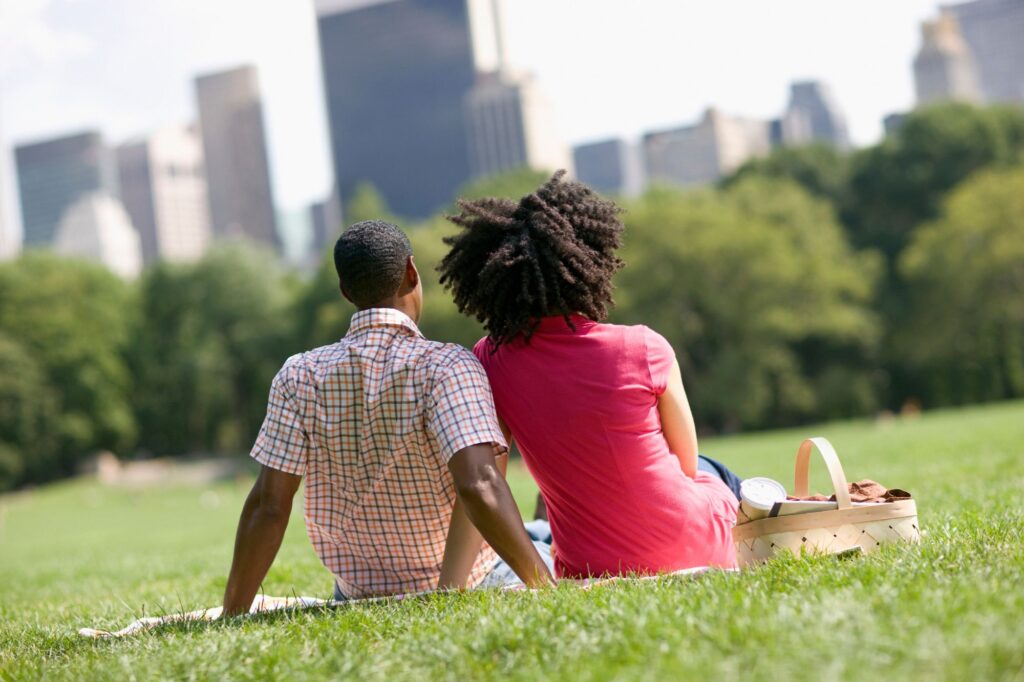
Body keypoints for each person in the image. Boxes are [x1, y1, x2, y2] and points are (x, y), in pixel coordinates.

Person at [222, 220, 554, 616]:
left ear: (346, 291)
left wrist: (233, 612)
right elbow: (479, 483)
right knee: (550, 546)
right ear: (412, 272)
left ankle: (541, 525)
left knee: (539, 531)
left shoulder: (298, 375)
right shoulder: (447, 367)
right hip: (470, 579)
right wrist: (546, 590)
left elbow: (268, 506)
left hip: (357, 592)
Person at [437, 171, 743, 580]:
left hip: (588, 566)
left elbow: (489, 475)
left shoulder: (490, 361)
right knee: (713, 471)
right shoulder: (646, 347)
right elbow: (685, 464)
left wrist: (450, 586)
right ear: (592, 262)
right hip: (693, 542)